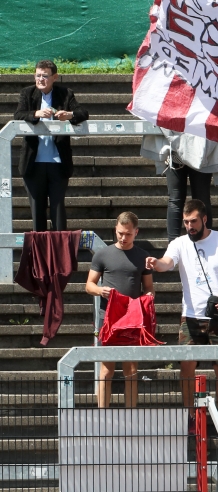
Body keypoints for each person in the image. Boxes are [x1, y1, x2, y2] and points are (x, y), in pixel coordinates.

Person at [146, 199, 218, 436]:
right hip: (191, 316)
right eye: (185, 222)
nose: (189, 226)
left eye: (193, 221)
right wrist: (155, 263)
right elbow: (166, 263)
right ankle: (191, 417)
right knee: (186, 367)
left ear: (204, 219)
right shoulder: (180, 243)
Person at [86, 212, 153, 408]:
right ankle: (102, 413)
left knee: (131, 369)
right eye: (120, 233)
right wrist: (100, 290)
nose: (123, 238)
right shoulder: (103, 254)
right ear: (115, 229)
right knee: (106, 368)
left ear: (136, 232)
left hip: (132, 318)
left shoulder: (142, 256)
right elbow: (89, 285)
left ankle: (131, 413)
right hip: (108, 317)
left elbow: (149, 287)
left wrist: (148, 298)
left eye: (128, 234)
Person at [14, 59, 89, 231]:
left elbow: (83, 113)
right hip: (33, 163)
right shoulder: (27, 93)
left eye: (45, 76)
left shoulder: (65, 94)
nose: (40, 79)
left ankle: (60, 253)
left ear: (54, 77)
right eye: (38, 75)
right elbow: (18, 115)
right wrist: (35, 114)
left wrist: (69, 115)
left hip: (58, 162)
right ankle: (40, 254)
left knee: (58, 211)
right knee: (37, 212)